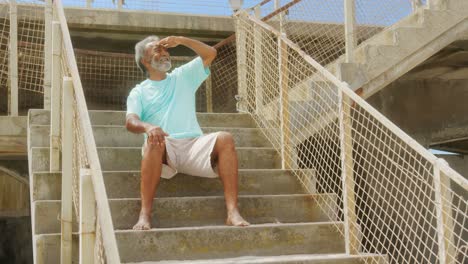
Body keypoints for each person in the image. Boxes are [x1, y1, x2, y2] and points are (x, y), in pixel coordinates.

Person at [126, 35, 250, 230]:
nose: (164, 53)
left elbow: (211, 53)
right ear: (145, 61)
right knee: (154, 141)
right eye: (157, 50)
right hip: (163, 149)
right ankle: (144, 215)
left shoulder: (182, 76)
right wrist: (148, 127)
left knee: (225, 138)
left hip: (194, 146)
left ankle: (232, 212)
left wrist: (182, 40)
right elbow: (130, 121)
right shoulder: (139, 92)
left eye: (165, 49)